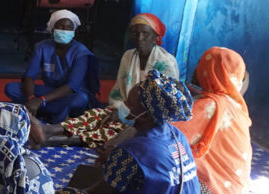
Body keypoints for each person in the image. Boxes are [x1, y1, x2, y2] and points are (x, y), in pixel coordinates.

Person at [55, 71, 205, 194]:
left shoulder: (132, 151)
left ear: (147, 114)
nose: (125, 106)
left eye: (130, 103)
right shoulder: (177, 136)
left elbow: (100, 193)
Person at [39, 13, 178, 148]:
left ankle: (52, 141)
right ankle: (48, 130)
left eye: (145, 33)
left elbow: (163, 107)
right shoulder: (128, 56)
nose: (140, 38)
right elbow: (118, 92)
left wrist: (130, 116)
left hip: (147, 120)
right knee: (96, 115)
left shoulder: (166, 63)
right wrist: (119, 110)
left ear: (156, 37)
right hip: (125, 109)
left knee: (112, 130)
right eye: (135, 33)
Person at [174, 47, 252, 194]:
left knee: (159, 166)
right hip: (233, 191)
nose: (196, 70)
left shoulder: (211, 105)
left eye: (201, 65)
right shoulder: (234, 104)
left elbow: (171, 133)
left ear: (212, 72)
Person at [4, 9, 97, 123]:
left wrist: (41, 101)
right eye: (60, 27)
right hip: (50, 92)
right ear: (52, 29)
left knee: (80, 99)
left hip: (70, 94)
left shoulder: (81, 53)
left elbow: (71, 87)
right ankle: (55, 112)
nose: (65, 30)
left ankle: (43, 111)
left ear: (74, 31)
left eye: (69, 28)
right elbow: (29, 76)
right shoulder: (42, 47)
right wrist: (31, 98)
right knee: (11, 88)